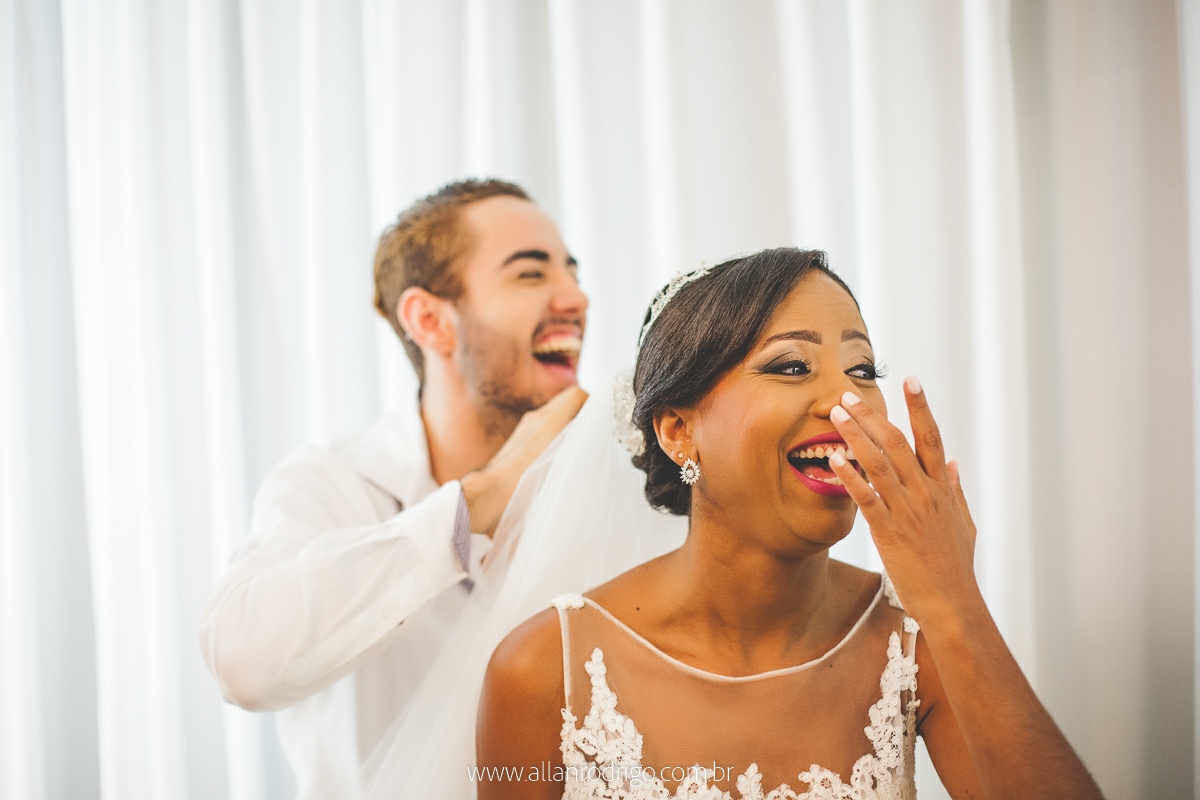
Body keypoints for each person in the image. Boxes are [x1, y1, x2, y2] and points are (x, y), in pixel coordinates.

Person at [476, 248, 1105, 799]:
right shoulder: (544, 671)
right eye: (791, 366)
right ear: (679, 430)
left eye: (863, 370)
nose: (848, 400)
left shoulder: (915, 644)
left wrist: (955, 602)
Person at [199, 178, 591, 798]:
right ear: (430, 320)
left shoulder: (607, 488)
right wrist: (475, 505)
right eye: (530, 274)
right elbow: (243, 665)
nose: (575, 297)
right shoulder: (326, 484)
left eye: (572, 272)